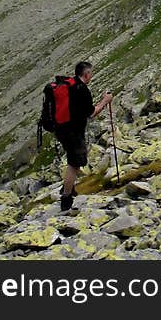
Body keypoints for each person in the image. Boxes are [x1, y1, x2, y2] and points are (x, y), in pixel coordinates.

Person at [56, 61, 112, 211]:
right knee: (74, 164)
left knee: (73, 158)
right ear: (86, 74)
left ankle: (69, 187)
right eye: (91, 73)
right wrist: (105, 102)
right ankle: (66, 198)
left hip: (61, 129)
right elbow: (91, 113)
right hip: (72, 131)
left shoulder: (70, 84)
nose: (91, 75)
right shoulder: (82, 90)